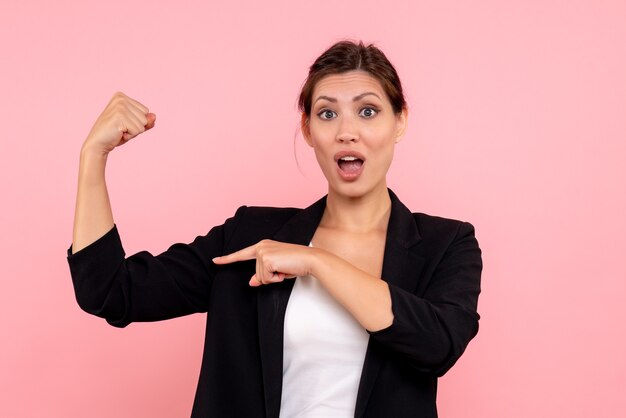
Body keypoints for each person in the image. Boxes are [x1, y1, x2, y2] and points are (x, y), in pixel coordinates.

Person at [67, 40, 482, 418]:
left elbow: (438, 344)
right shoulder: (251, 235)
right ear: (308, 130)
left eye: (368, 111)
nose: (346, 132)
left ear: (400, 122)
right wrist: (93, 157)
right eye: (327, 113)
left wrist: (317, 261)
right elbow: (110, 292)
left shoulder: (446, 244)